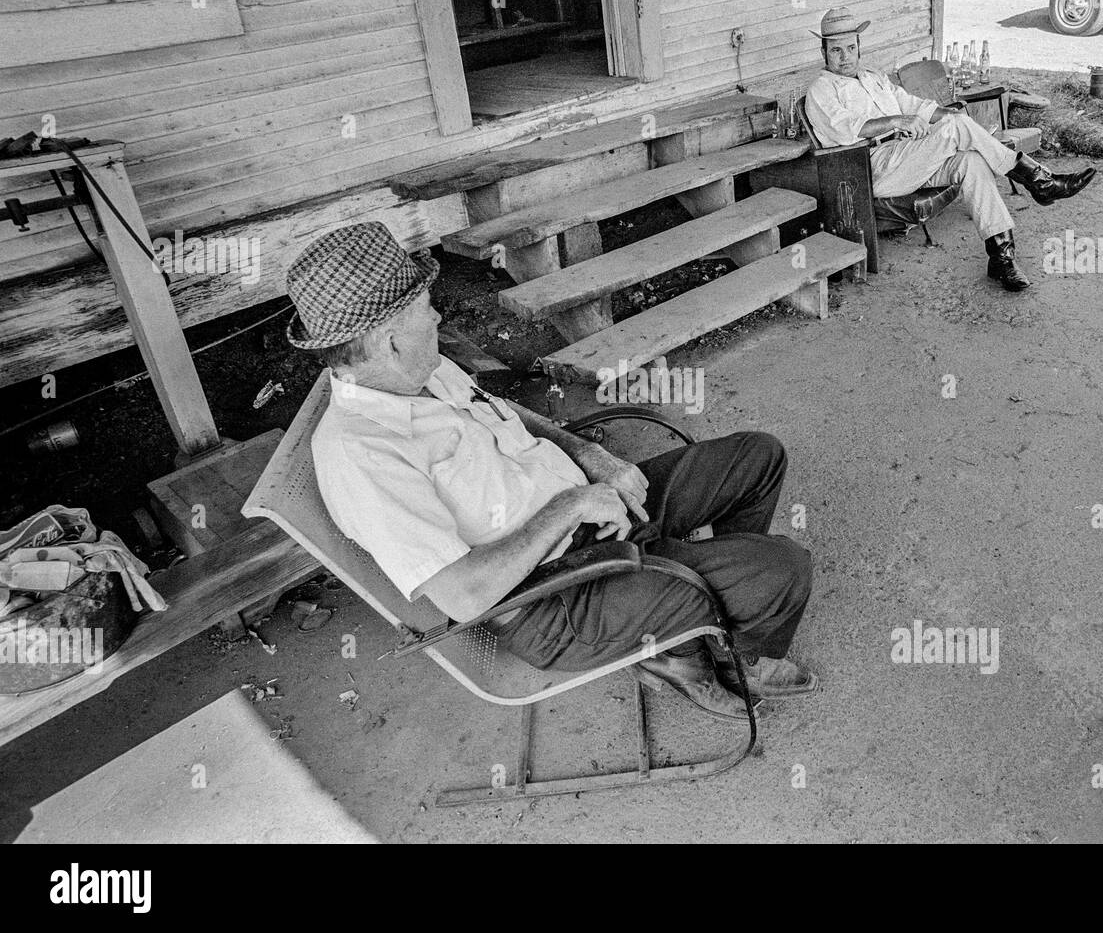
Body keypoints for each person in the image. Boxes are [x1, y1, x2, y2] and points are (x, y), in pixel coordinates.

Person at [285, 222, 819, 722]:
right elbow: (466, 595)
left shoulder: (416, 370)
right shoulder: (361, 455)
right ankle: (706, 636)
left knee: (758, 457)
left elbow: (503, 411)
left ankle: (704, 633)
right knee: (783, 569)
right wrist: (572, 508)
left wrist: (588, 454)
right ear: (389, 341)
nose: (438, 318)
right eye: (427, 309)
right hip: (555, 597)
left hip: (594, 508)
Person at [803, 7, 1096, 291]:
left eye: (850, 48)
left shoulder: (873, 78)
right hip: (871, 168)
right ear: (823, 53)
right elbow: (842, 130)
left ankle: (1001, 257)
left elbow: (917, 107)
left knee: (971, 160)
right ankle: (1040, 181)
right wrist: (896, 120)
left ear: (859, 47)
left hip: (909, 156)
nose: (845, 58)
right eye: (836, 50)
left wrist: (954, 118)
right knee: (957, 129)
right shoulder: (821, 90)